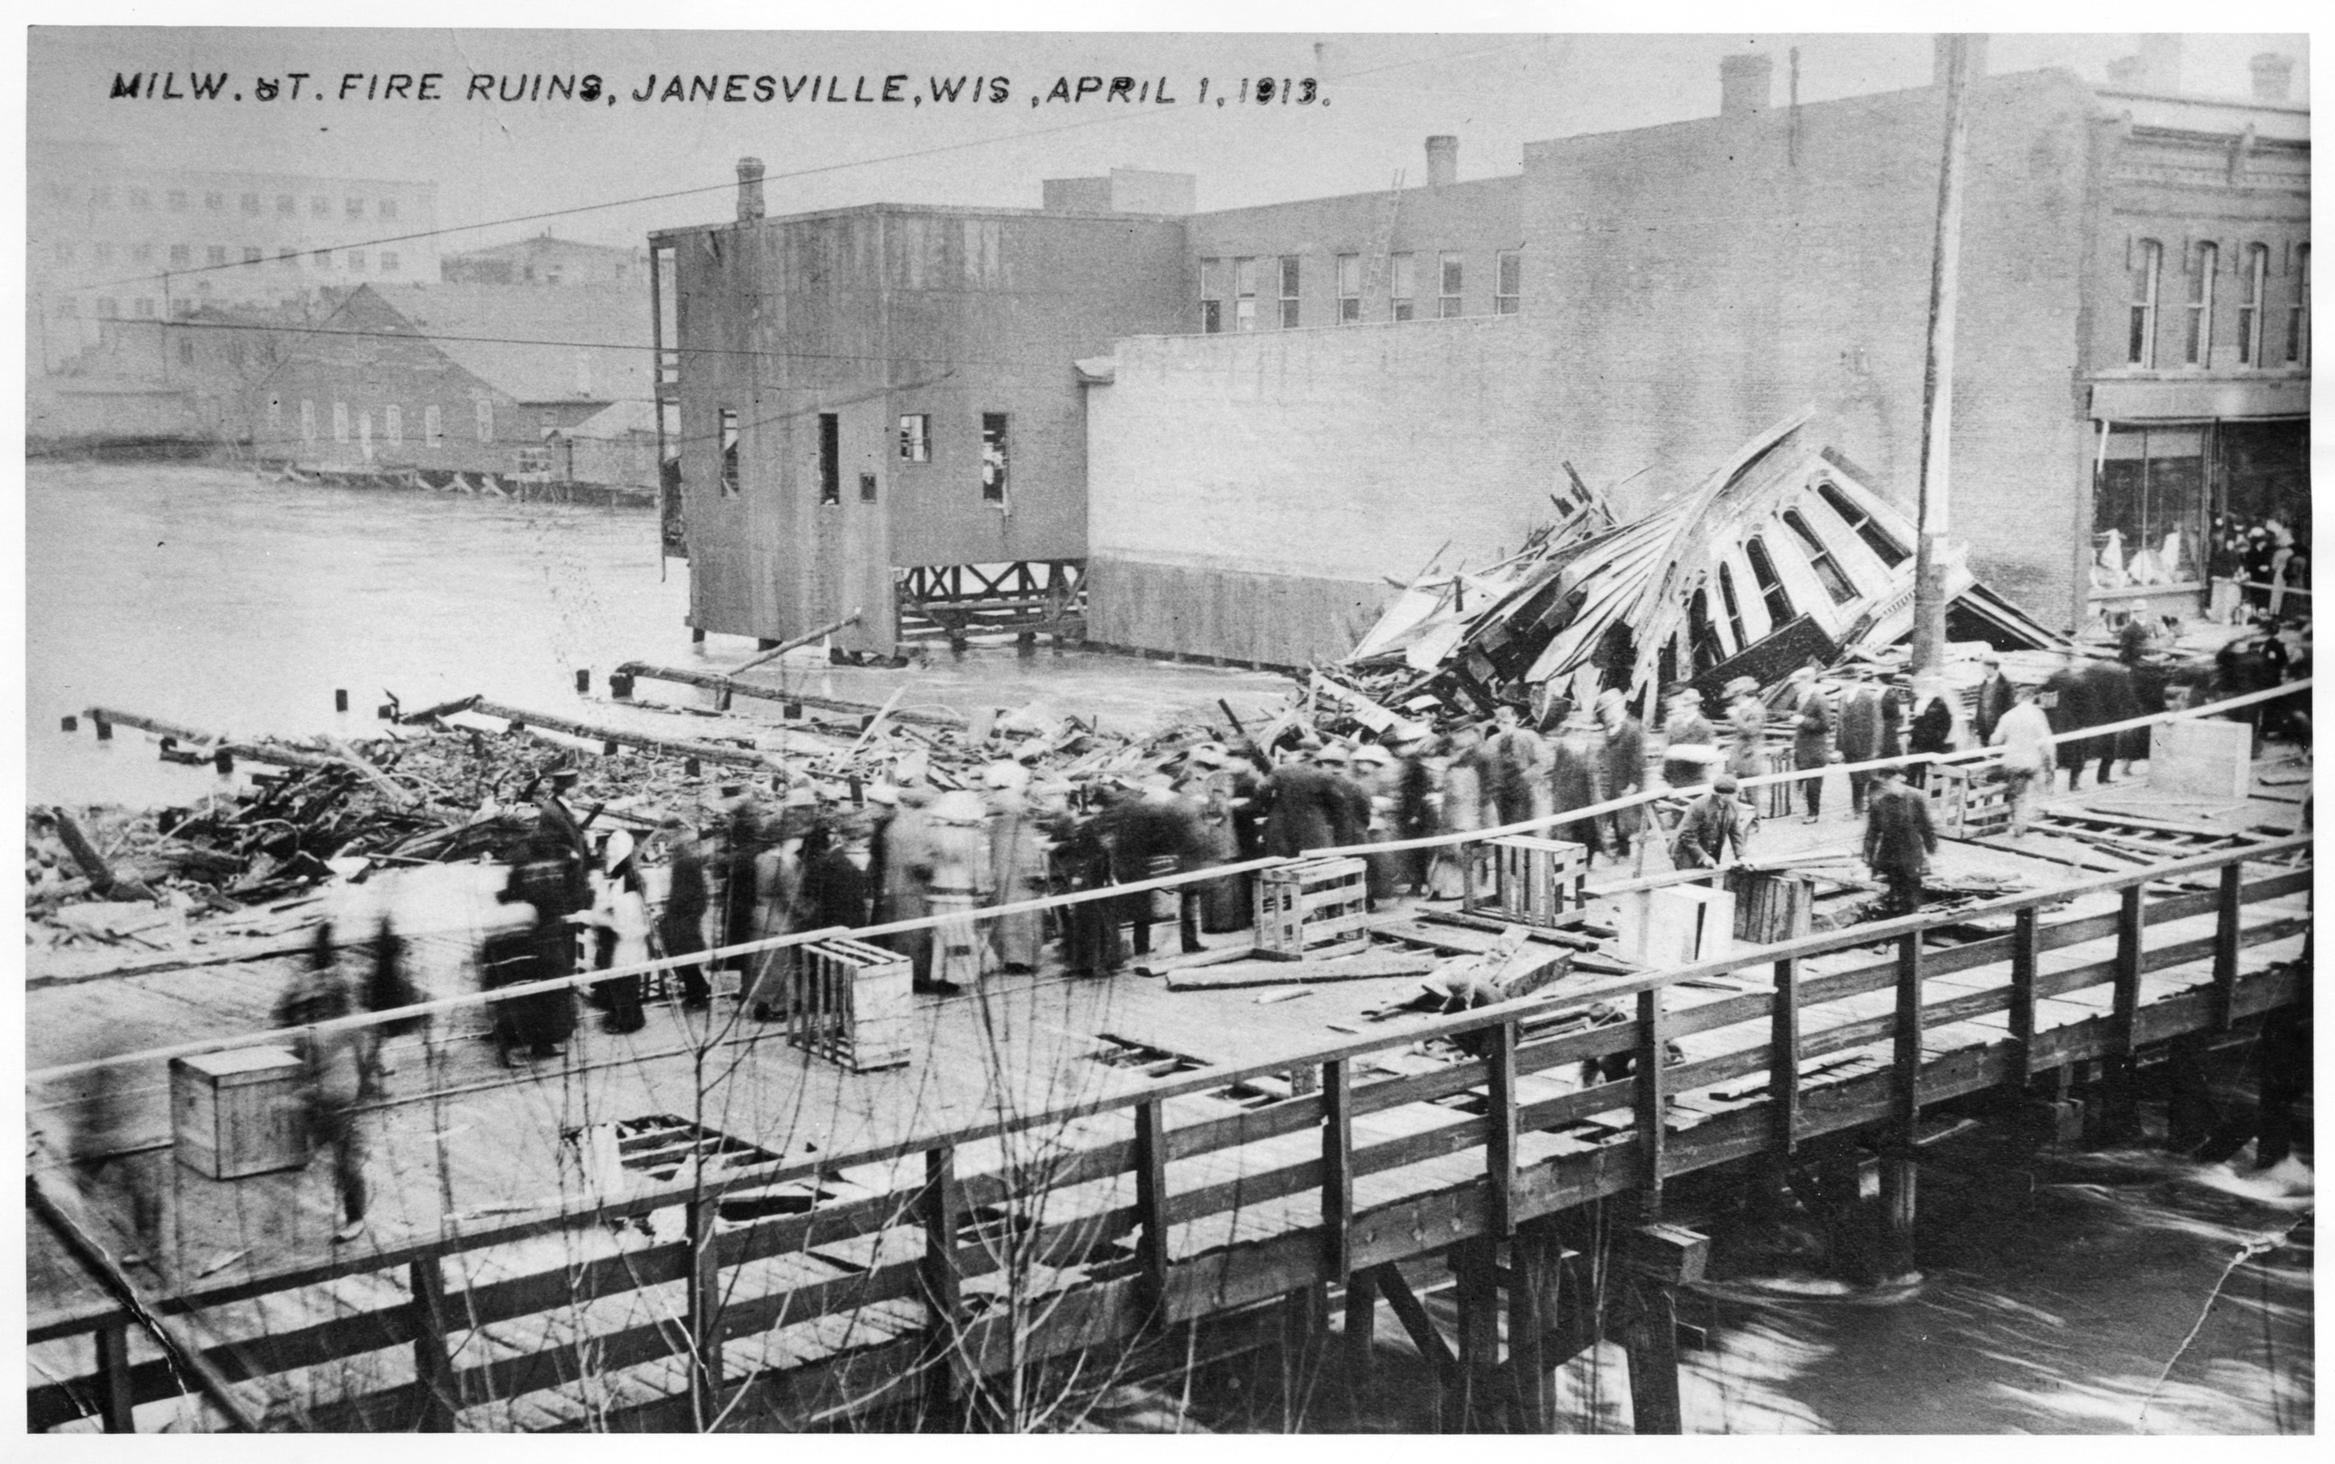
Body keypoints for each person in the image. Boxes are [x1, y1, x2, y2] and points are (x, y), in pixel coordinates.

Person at [275, 945, 372, 1243]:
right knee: (303, 1158)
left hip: (340, 1106)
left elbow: (341, 1085)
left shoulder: (343, 1029)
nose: (312, 1011)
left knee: (347, 1166)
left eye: (318, 1005)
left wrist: (302, 1094)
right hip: (319, 1106)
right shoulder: (311, 1029)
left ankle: (356, 1218)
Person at [572, 831, 651, 1035]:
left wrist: (606, 917)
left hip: (625, 933)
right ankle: (620, 1014)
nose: (608, 848)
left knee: (625, 977)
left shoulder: (627, 875)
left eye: (613, 843)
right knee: (617, 976)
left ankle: (629, 1019)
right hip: (615, 932)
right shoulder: (618, 872)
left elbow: (626, 906)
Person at [985, 761, 1054, 967]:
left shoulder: (997, 802)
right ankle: (1020, 958)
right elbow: (1025, 844)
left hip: (1002, 868)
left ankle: (1007, 955)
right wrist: (1036, 870)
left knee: (1005, 913)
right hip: (1020, 871)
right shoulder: (1017, 805)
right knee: (1023, 917)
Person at [1862, 765, 1938, 918]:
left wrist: (1932, 849)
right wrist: (1867, 858)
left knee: (1911, 894)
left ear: (1901, 779)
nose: (1889, 785)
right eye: (1886, 782)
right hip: (1889, 853)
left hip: (1911, 852)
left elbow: (1926, 826)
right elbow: (1872, 832)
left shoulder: (1915, 798)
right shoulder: (1879, 802)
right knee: (1892, 895)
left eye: (1892, 780)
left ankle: (1911, 929)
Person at [655, 815, 714, 1008]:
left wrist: (674, 911)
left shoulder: (684, 859)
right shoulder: (686, 856)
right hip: (685, 912)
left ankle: (698, 993)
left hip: (683, 914)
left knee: (683, 955)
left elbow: (685, 891)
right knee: (684, 954)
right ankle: (697, 990)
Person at [1989, 685, 2055, 837]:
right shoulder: (2038, 714)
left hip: (2014, 762)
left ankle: (2019, 828)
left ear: (2018, 697)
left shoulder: (2008, 716)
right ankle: (2032, 817)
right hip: (2033, 761)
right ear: (2032, 698)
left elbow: (1995, 740)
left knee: (2017, 796)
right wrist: (2050, 762)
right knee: (2034, 792)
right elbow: (2047, 741)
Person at [1594, 690, 1648, 860]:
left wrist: (1633, 783)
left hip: (1625, 781)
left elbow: (1638, 758)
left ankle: (1625, 852)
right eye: (1603, 713)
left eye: (1607, 711)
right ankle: (1614, 850)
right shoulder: (1607, 731)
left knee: (1624, 818)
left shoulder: (1632, 728)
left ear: (1618, 707)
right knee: (1611, 815)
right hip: (1610, 780)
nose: (1606, 716)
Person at [1482, 702, 1548, 826]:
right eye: (1499, 722)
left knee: (1526, 824)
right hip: (1501, 792)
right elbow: (1487, 765)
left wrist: (1526, 778)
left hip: (1525, 789)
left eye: (1506, 722)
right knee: (1505, 825)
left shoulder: (1529, 736)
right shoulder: (1492, 741)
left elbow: (1544, 761)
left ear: (1515, 719)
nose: (1503, 726)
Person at [1670, 775, 1754, 869]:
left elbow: (1735, 832)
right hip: (1687, 852)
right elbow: (1686, 834)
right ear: (1722, 795)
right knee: (1690, 882)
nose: (1739, 795)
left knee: (1706, 882)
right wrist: (1703, 857)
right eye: (1736, 793)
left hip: (1710, 852)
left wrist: (1741, 856)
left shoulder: (1732, 806)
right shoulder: (1699, 805)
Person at [1788, 666, 1834, 822]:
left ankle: (1813, 813)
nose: (1794, 686)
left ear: (1807, 680)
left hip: (1815, 748)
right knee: (1805, 780)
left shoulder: (1818, 698)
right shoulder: (1803, 697)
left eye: (1797, 683)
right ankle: (1807, 809)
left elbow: (1826, 724)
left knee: (1814, 783)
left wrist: (1803, 721)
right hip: (1803, 748)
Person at [1837, 681, 1886, 815]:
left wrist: (1875, 748)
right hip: (1849, 747)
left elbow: (1877, 724)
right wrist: (1840, 747)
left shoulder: (1868, 697)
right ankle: (1857, 809)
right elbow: (1840, 724)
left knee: (1869, 778)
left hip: (1866, 747)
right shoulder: (1843, 698)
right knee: (1855, 779)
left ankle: (1874, 808)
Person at [1660, 688, 1719, 791]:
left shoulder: (1703, 726)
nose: (1684, 709)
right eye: (1683, 706)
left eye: (1688, 706)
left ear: (1696, 706)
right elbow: (1668, 748)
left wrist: (1677, 751)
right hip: (1674, 778)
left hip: (1694, 779)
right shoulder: (1675, 724)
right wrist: (1666, 774)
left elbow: (1706, 755)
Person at [1906, 684, 1956, 790]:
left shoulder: (1939, 705)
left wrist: (1936, 738)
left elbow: (1945, 725)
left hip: (1930, 744)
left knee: (1926, 773)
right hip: (1919, 743)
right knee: (1914, 770)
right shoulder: (1921, 702)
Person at [1972, 652, 2015, 747]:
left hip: (1998, 730)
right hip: (1984, 731)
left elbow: (2009, 710)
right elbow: (1980, 707)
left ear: (1992, 667)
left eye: (1985, 667)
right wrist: (1977, 728)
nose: (1983, 670)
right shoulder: (1984, 684)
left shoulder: (2006, 686)